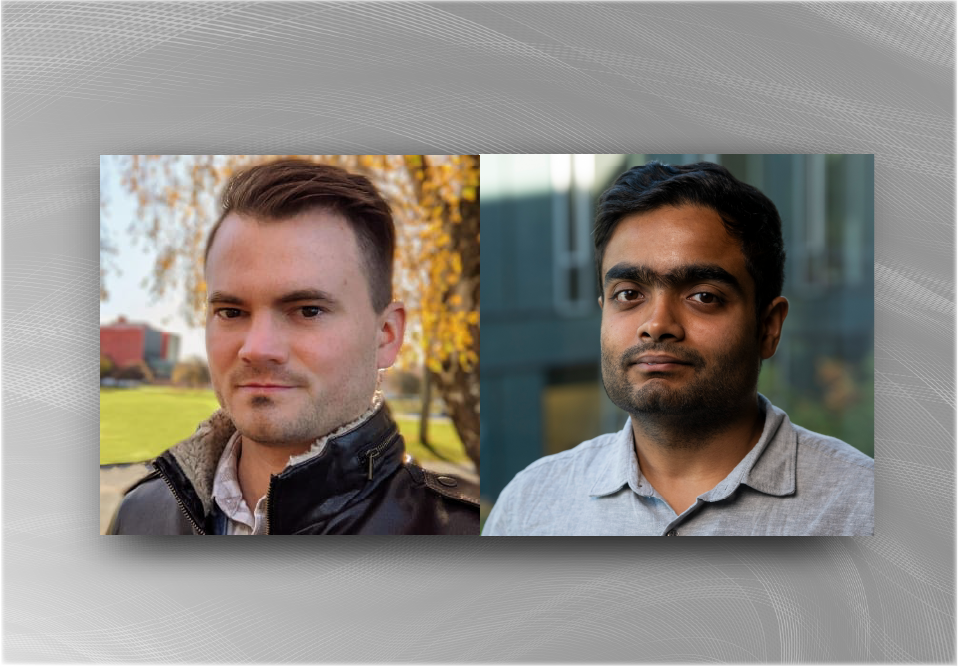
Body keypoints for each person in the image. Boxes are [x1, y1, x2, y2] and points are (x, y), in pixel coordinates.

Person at [483, 161, 873, 536]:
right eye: (629, 294)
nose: (656, 325)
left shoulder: (864, 506)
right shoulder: (529, 505)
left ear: (768, 328)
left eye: (703, 296)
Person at [109, 159, 479, 535]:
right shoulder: (141, 516)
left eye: (308, 310)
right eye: (232, 311)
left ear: (386, 334)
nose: (257, 348)